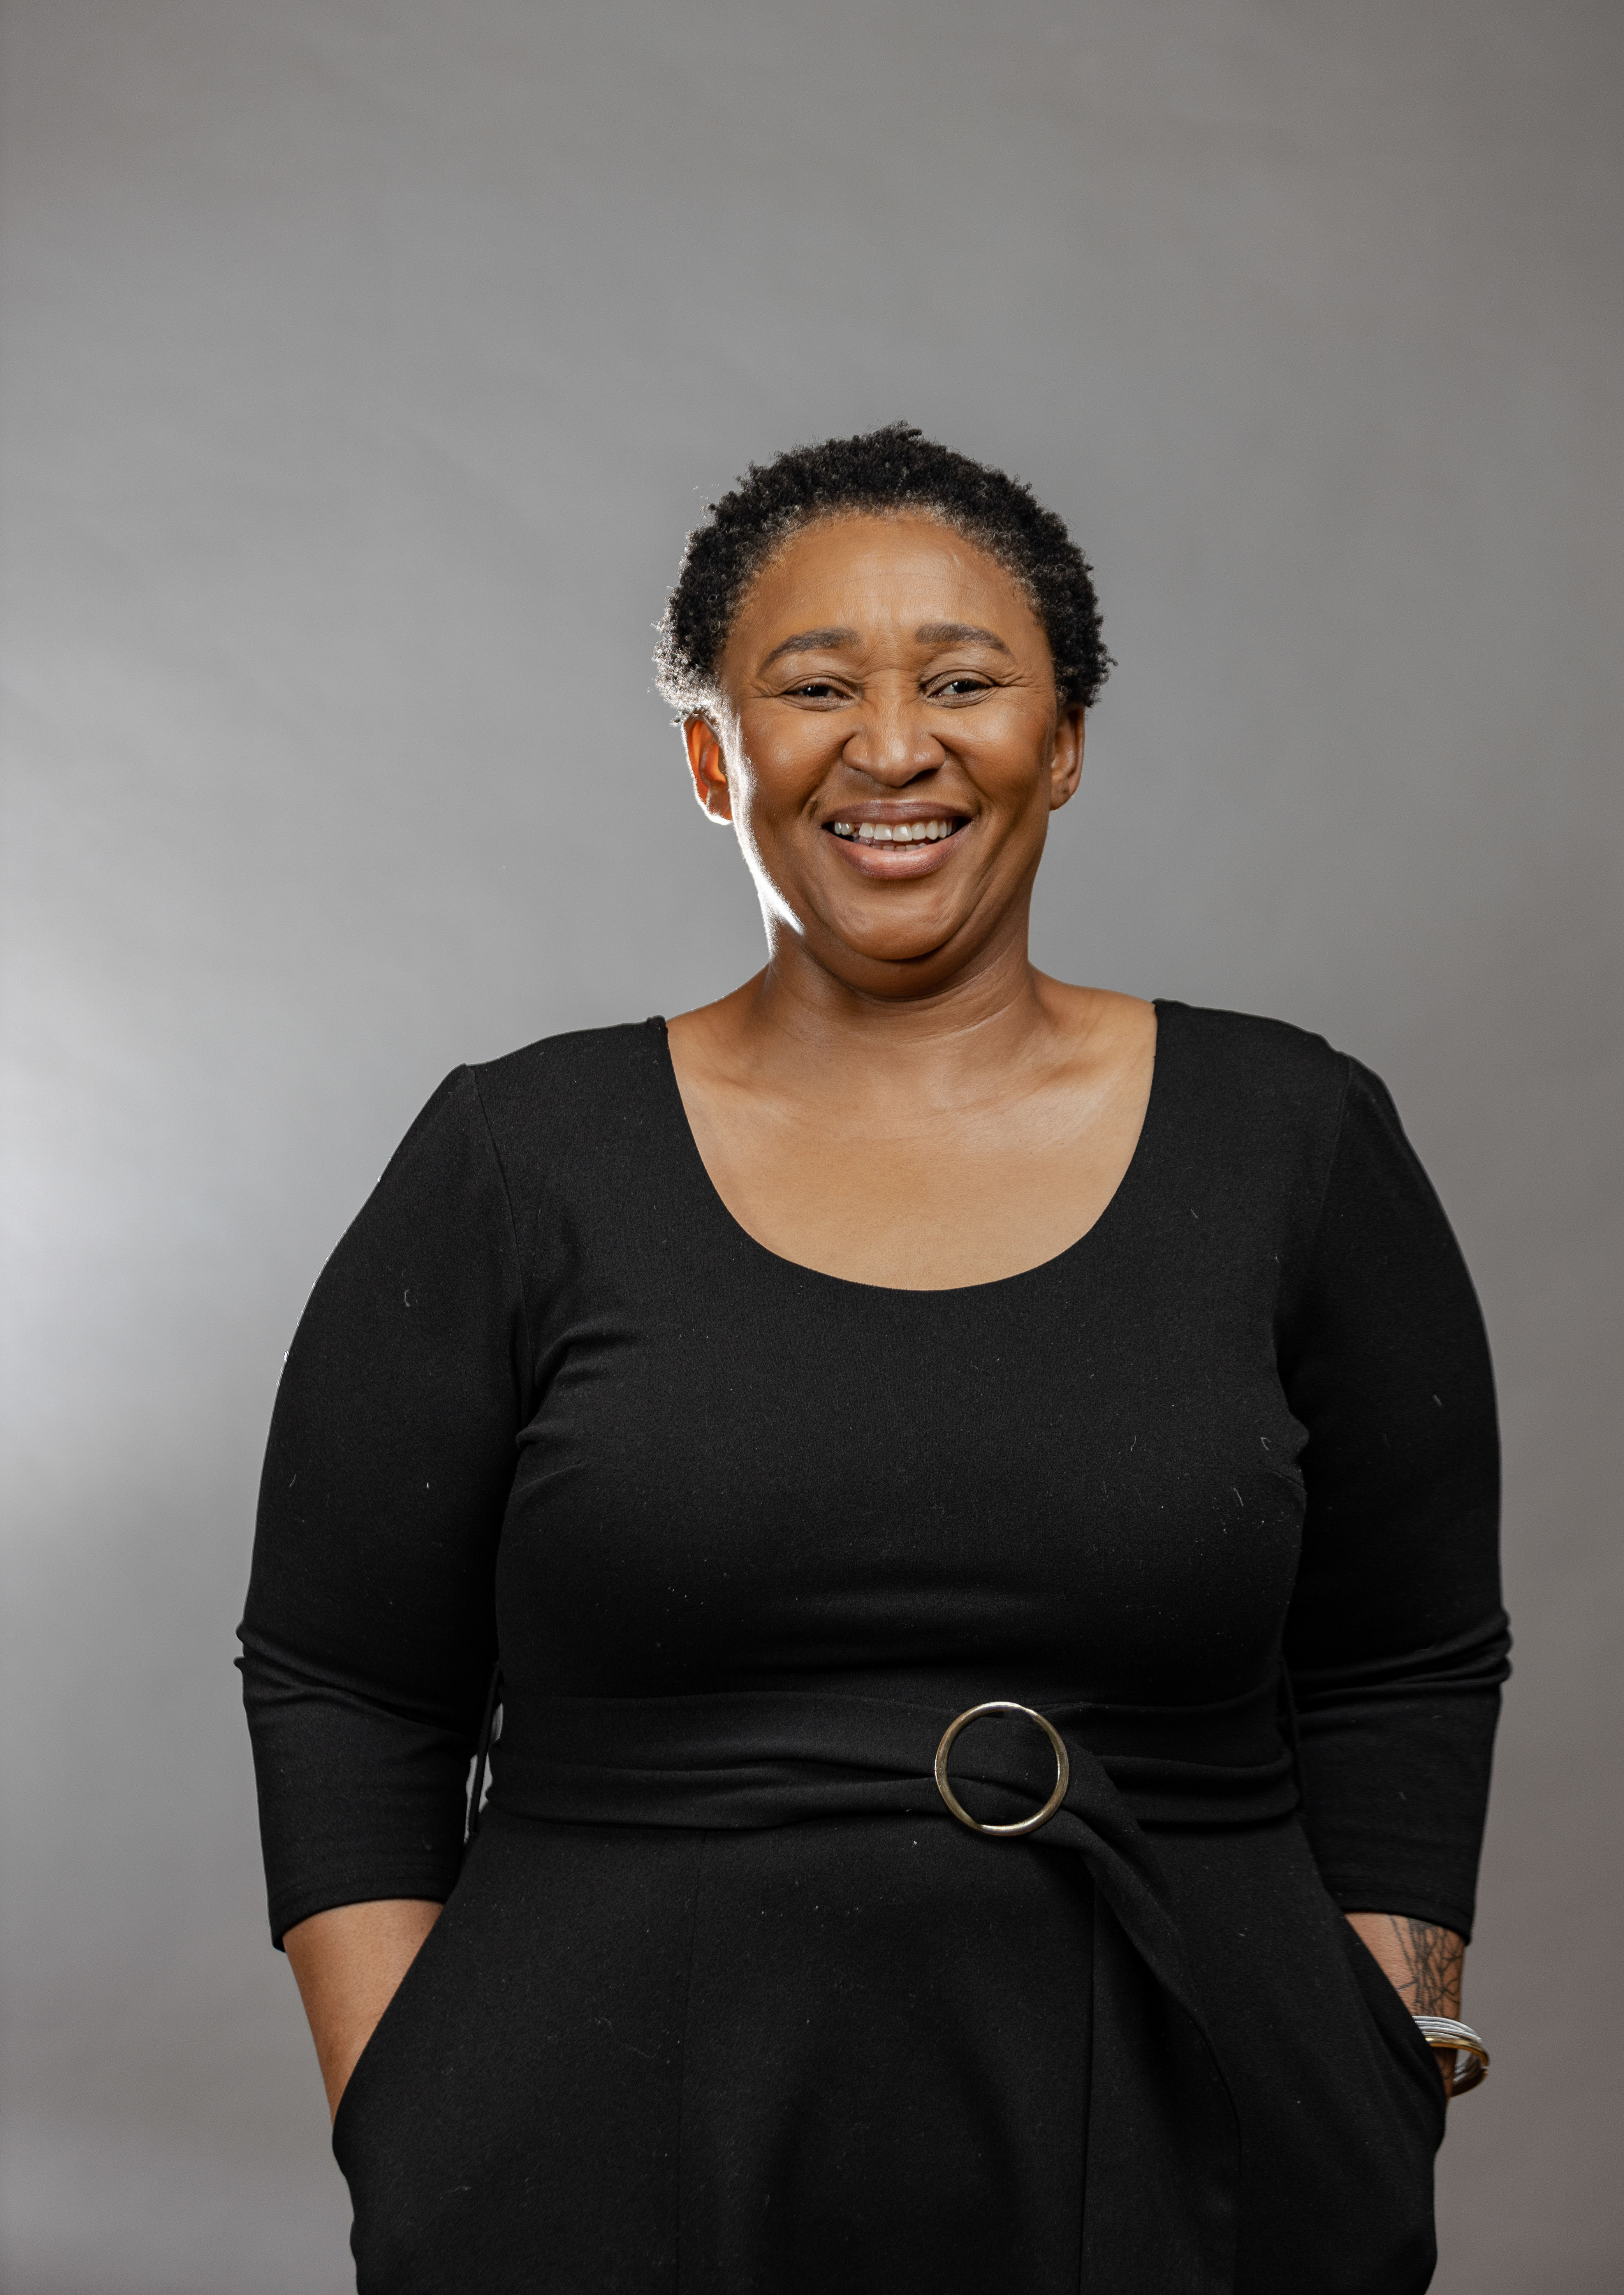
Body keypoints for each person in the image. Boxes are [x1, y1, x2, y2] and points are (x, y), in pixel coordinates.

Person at [239, 424, 1508, 2295]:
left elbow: (1408, 1655)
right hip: (597, 2158)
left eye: (964, 684)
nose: (894, 748)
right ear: (712, 758)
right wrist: (417, 2116)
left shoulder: (1293, 1139)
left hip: (1203, 2140)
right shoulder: (517, 1159)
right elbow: (343, 1678)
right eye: (816, 687)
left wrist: (1383, 2055)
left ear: (1062, 743)